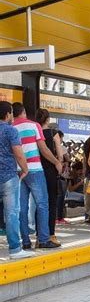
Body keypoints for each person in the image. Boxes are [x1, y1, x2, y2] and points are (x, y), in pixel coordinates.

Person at [12, 103, 61, 249]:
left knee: (22, 208)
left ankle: (26, 242)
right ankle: (43, 239)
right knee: (42, 204)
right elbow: (43, 149)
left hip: (18, 171)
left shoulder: (11, 128)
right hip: (34, 170)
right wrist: (56, 162)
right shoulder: (34, 126)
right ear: (24, 111)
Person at [0, 101, 34, 259]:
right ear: (7, 114)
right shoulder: (10, 130)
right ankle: (14, 249)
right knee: (11, 213)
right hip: (8, 176)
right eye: (12, 112)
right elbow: (19, 153)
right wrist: (25, 169)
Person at [36, 108, 64, 244]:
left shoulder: (35, 132)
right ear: (48, 119)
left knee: (40, 203)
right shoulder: (54, 134)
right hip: (51, 171)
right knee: (52, 203)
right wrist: (59, 163)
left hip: (37, 170)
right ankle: (51, 234)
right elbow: (60, 154)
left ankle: (39, 235)